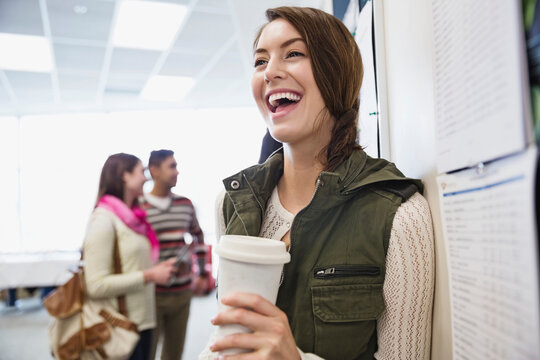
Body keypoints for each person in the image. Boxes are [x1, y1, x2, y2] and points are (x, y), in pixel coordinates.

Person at [200, 6, 434, 360]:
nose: (270, 72)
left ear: (335, 73)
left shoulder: (400, 216)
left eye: (293, 53)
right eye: (260, 61)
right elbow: (227, 336)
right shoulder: (229, 202)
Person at [83, 153, 177, 360]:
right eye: (140, 172)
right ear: (124, 176)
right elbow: (95, 285)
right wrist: (151, 275)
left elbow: (130, 265)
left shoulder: (132, 217)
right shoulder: (103, 221)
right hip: (119, 326)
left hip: (141, 322)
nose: (146, 178)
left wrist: (157, 269)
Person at [140, 149, 208, 360]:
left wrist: (203, 272)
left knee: (174, 354)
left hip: (182, 293)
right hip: (151, 295)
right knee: (147, 352)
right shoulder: (139, 207)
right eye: (172, 166)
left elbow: (198, 236)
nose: (177, 172)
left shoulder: (185, 204)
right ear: (154, 170)